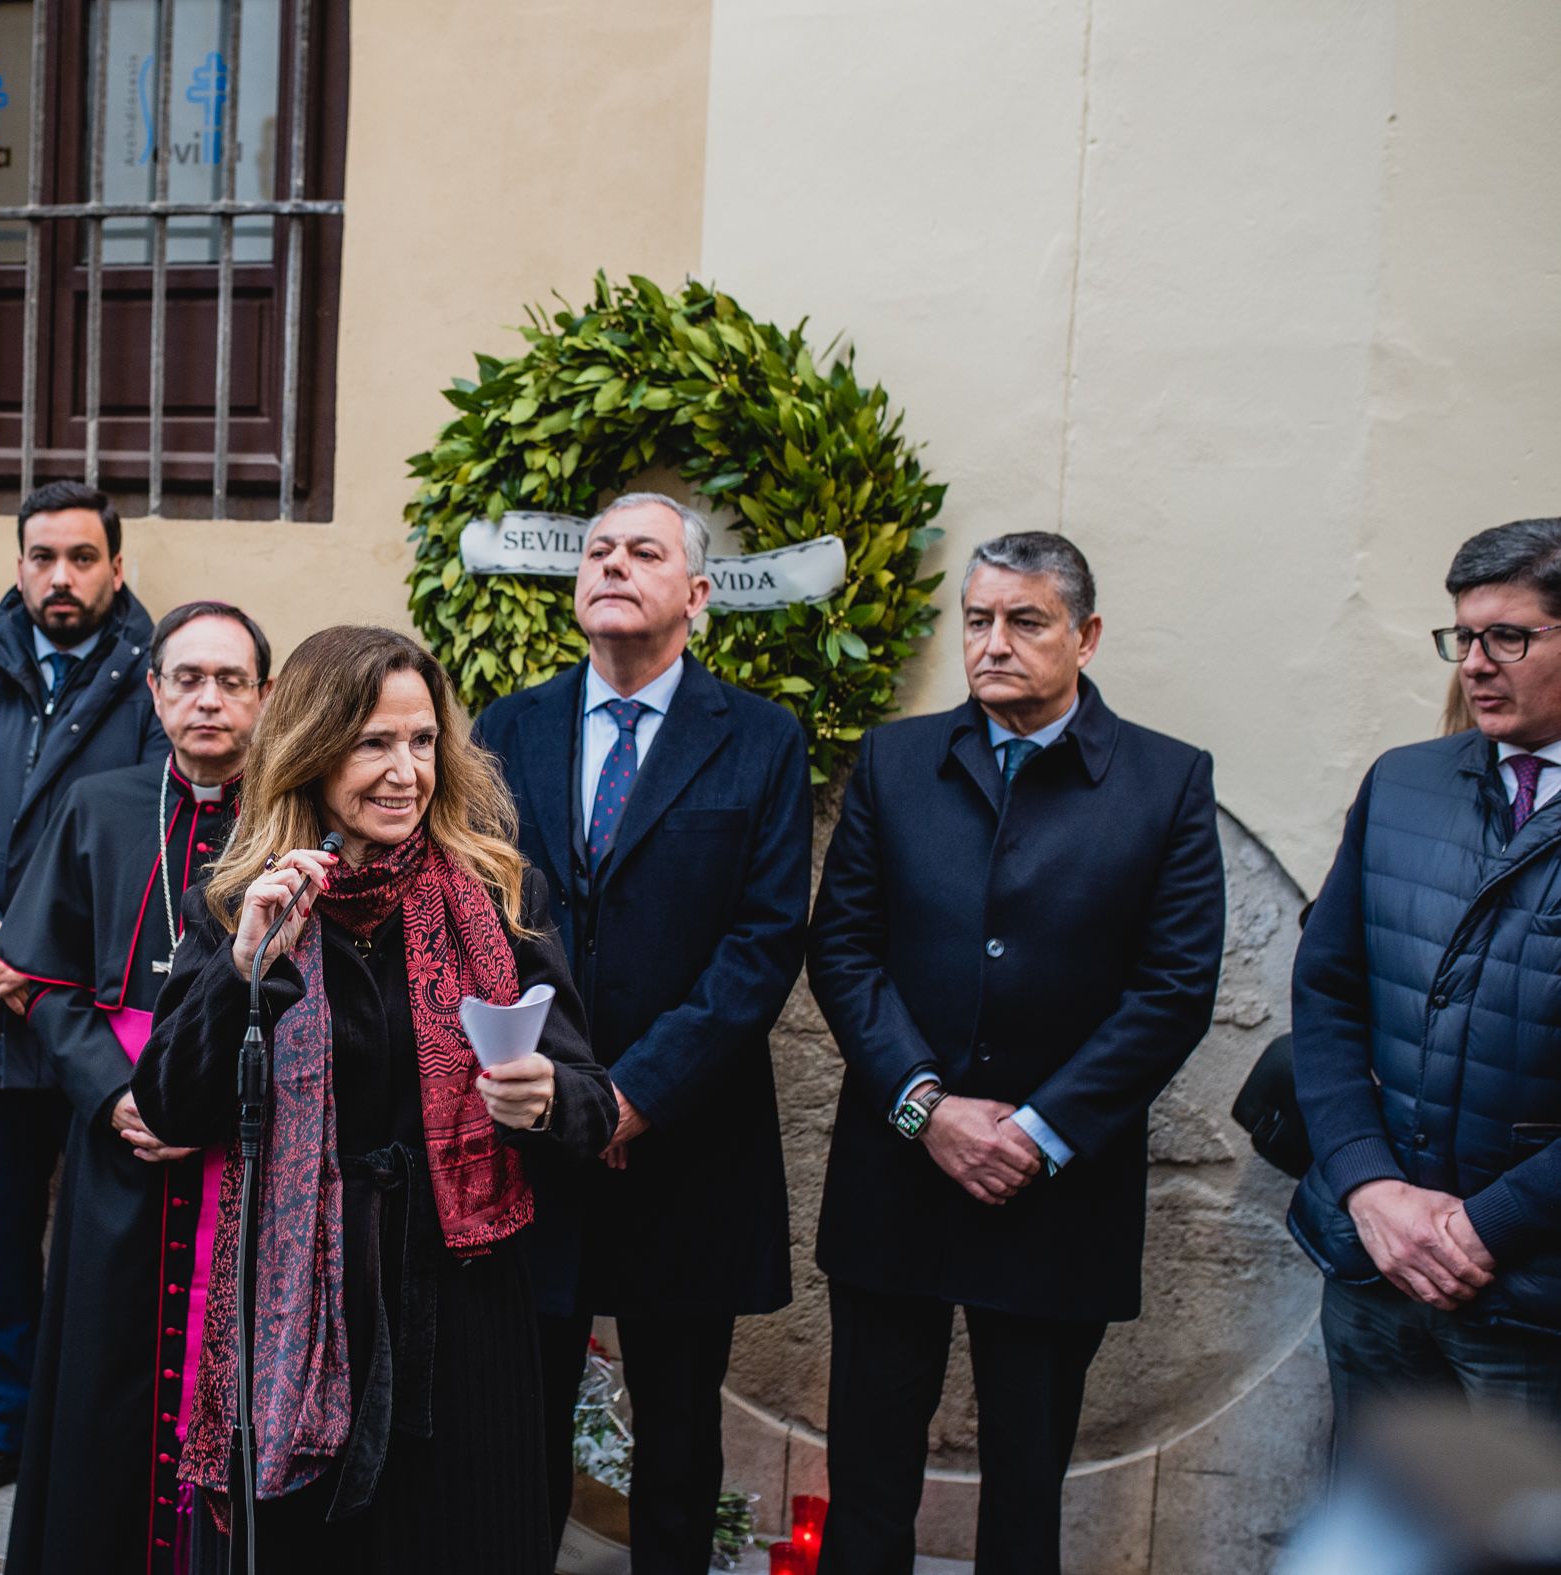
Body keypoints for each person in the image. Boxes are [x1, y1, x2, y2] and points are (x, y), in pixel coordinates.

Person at [135, 623, 617, 1573]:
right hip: (299, 1306)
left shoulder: (498, 895)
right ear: (312, 752)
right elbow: (170, 1105)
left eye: (423, 740)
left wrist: (545, 1096)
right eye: (373, 743)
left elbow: (590, 1102)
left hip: (465, 1306)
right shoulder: (240, 903)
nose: (407, 772)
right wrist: (242, 968)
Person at [807, 531, 1225, 1575]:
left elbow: (1172, 990)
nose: (992, 642)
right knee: (867, 1474)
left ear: (1084, 636)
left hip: (1055, 1194)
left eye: (1024, 620)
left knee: (1027, 1485)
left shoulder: (1166, 781)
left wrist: (1037, 1132)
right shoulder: (895, 760)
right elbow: (843, 950)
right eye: (977, 619)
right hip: (897, 1174)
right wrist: (925, 1107)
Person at [472, 491, 814, 1574]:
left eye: (643, 552)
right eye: (598, 551)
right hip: (534, 1132)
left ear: (696, 594)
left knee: (678, 1434)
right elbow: (480, 917)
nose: (613, 565)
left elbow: (761, 944)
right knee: (517, 1418)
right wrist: (571, 1096)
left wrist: (630, 1098)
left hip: (686, 1136)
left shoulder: (759, 738)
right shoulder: (505, 728)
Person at [0, 479, 163, 1517]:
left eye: (82, 557)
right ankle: (0, 1432)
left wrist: (40, 957)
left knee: (111, 1254)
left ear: (116, 568)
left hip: (100, 1021)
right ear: (18, 566)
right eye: (43, 556)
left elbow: (152, 836)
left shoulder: (155, 681)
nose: (61, 575)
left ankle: (93, 1447)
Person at [0, 601, 272, 1573]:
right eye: (187, 679)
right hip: (116, 1141)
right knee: (104, 1368)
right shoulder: (98, 805)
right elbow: (43, 983)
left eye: (230, 681)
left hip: (244, 1144)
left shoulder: (293, 820)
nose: (208, 700)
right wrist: (115, 1094)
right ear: (154, 692)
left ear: (265, 696)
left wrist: (210, 1102)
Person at [1290, 517, 1561, 1452]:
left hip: (1533, 1301)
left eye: (1507, 637)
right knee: (1374, 1520)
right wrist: (1367, 1186)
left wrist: (1489, 1226)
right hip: (1372, 1273)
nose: (1475, 664)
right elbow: (1325, 999)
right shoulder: (1402, 784)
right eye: (1463, 636)